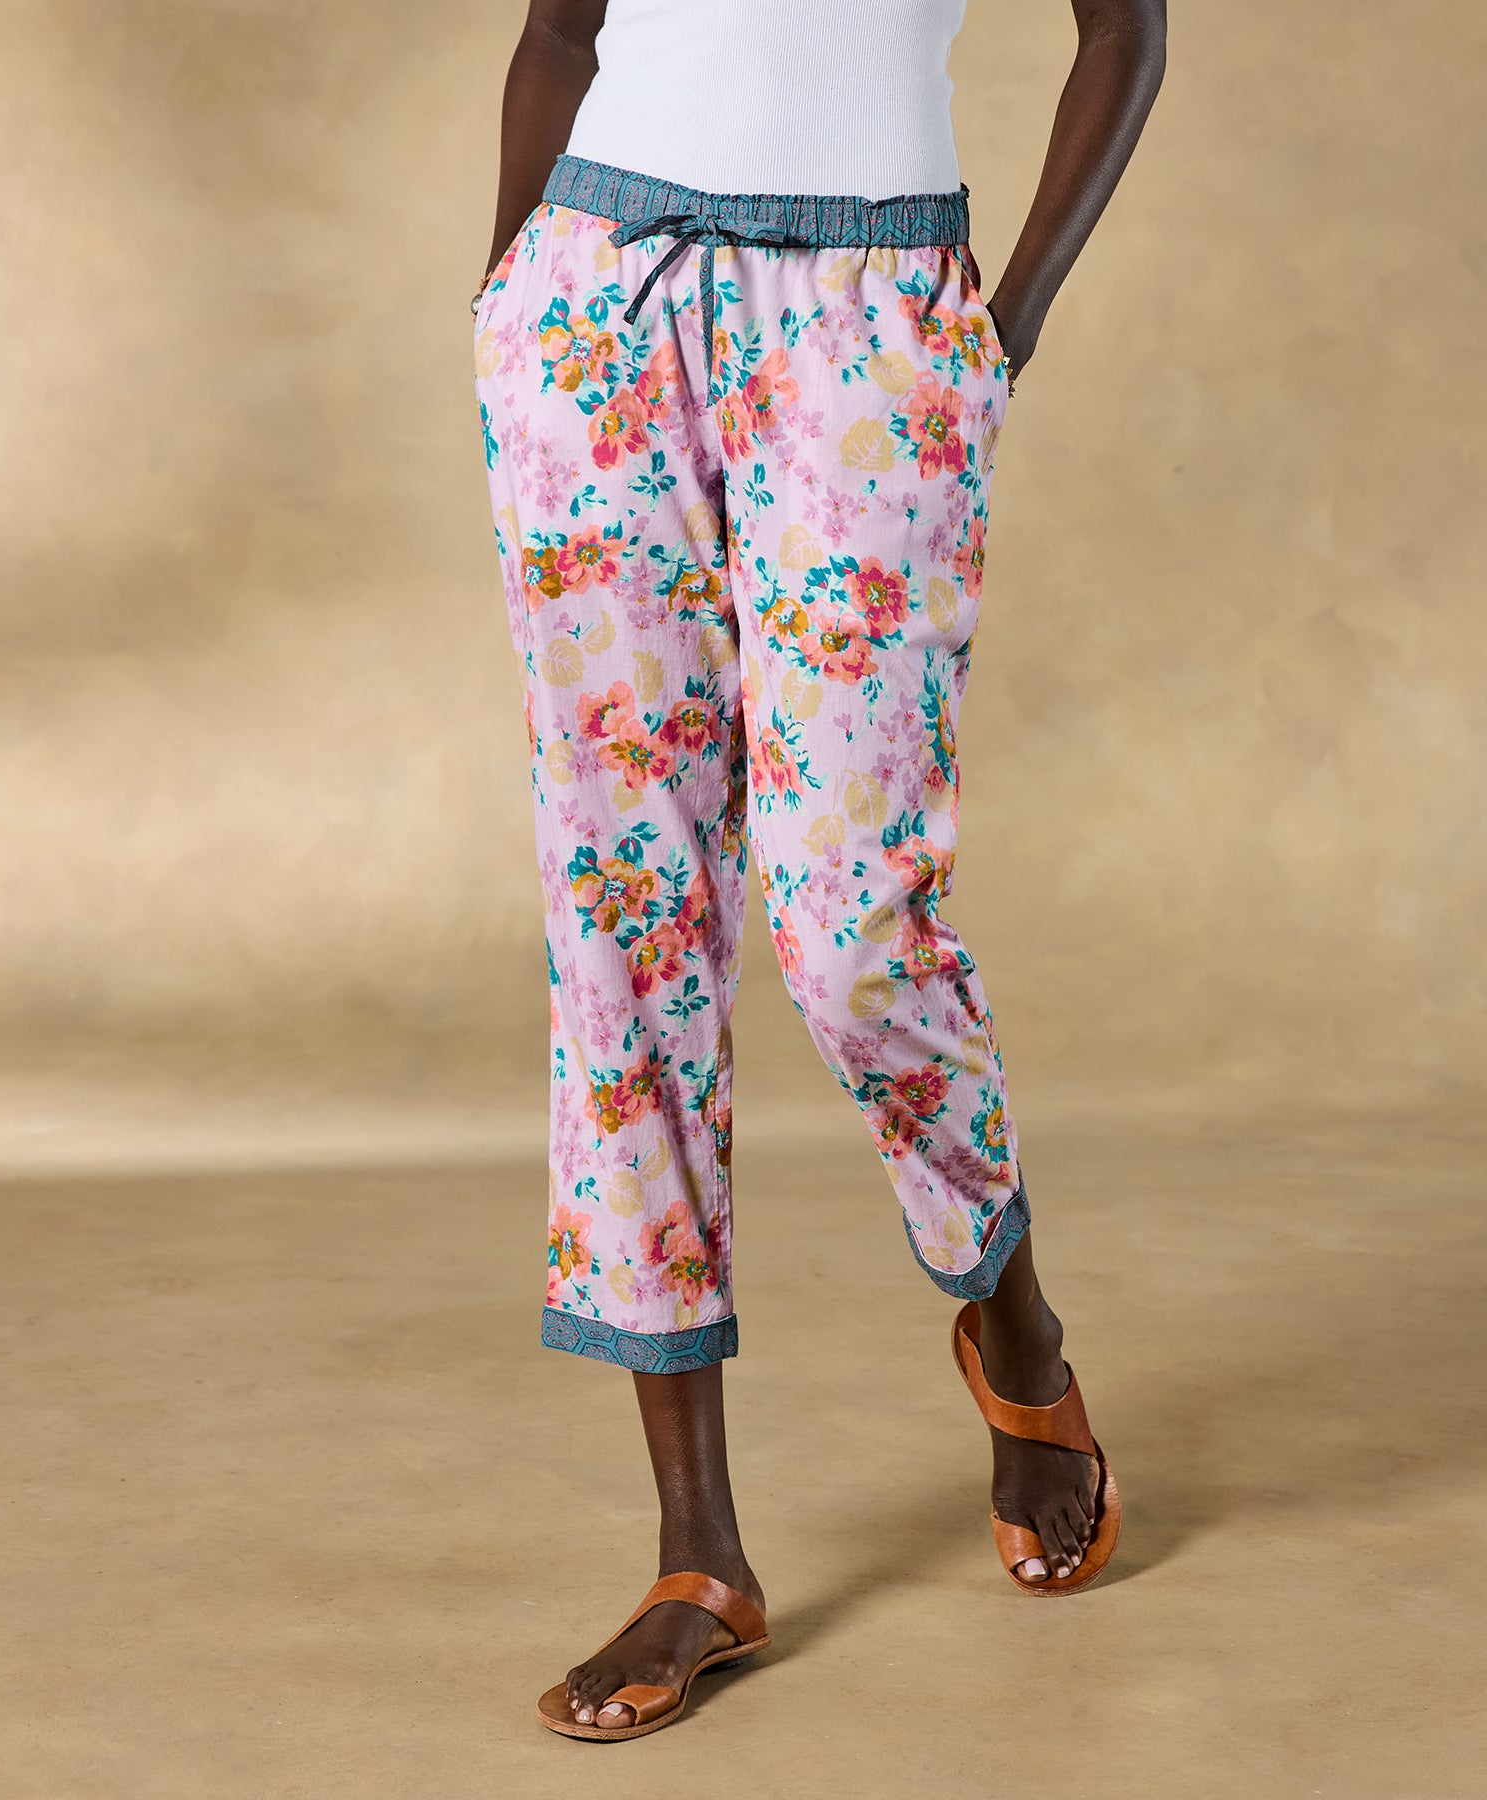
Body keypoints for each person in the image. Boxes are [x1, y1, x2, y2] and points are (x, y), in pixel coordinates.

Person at [470, 0, 1166, 1741]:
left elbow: (1126, 33)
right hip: (594, 308)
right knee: (625, 919)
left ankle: (1016, 1331)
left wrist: (1001, 329)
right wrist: (506, 290)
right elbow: (559, 27)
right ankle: (697, 1556)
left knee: (855, 929)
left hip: (873, 321)